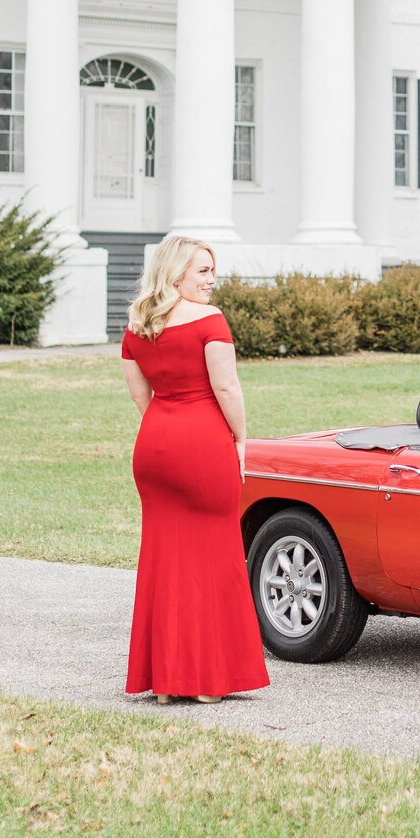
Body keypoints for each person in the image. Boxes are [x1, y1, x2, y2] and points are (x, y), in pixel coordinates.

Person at [120, 235, 269, 704]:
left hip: (155, 448)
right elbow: (226, 389)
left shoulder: (138, 324)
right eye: (202, 271)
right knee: (213, 558)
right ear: (176, 273)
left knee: (164, 561)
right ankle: (205, 682)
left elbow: (140, 396)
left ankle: (165, 683)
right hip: (203, 445)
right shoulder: (209, 320)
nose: (211, 280)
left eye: (212, 271)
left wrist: (167, 426)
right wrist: (242, 440)